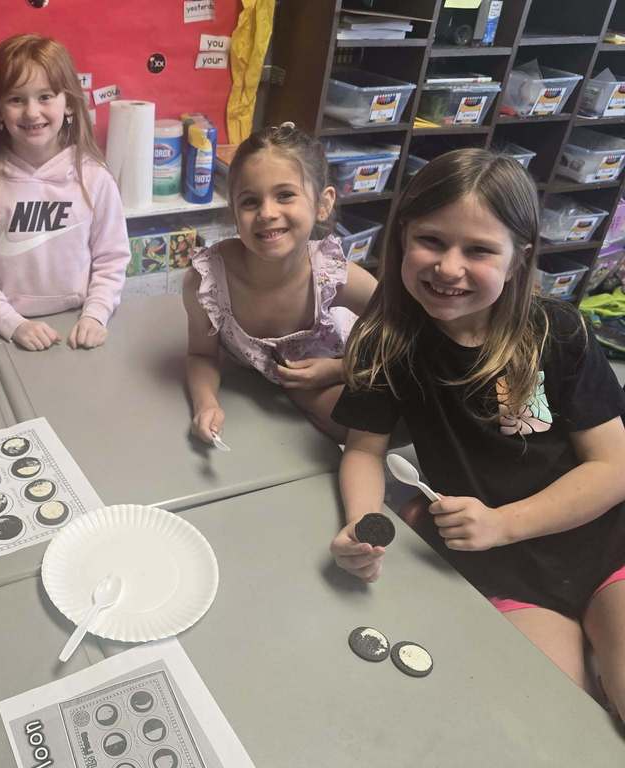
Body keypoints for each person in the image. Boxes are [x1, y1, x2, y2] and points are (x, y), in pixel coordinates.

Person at [329, 149, 625, 718]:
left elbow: (612, 467)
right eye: (432, 241)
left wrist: (502, 523)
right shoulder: (384, 338)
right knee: (555, 721)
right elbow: (364, 450)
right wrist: (362, 527)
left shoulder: (557, 332)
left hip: (600, 541)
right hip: (499, 565)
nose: (448, 267)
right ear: (401, 240)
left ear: (518, 261)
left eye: (480, 250)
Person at [184, 123, 377, 443]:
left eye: (285, 195)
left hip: (349, 373)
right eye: (249, 202)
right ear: (233, 210)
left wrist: (338, 370)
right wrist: (206, 404)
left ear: (322, 203)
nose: (267, 213)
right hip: (271, 399)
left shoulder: (336, 276)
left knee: (355, 423)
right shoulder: (206, 283)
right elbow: (201, 355)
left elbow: (407, 335)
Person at [0, 33, 130, 351]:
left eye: (45, 96)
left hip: (78, 330)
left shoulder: (96, 179)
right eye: (16, 99)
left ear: (70, 104)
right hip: (7, 334)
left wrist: (96, 316)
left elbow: (111, 259)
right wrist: (13, 324)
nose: (32, 112)